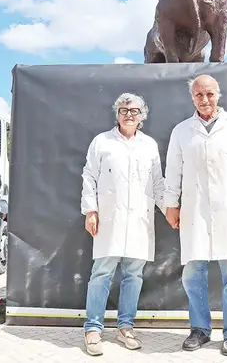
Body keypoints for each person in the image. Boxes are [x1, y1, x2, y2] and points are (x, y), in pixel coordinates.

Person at [162, 74, 227, 357]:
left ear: (219, 94)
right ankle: (200, 330)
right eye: (199, 95)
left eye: (209, 94)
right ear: (192, 98)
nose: (205, 100)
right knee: (193, 274)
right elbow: (173, 171)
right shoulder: (181, 131)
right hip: (194, 211)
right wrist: (171, 205)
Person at [79, 92, 166, 356]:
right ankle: (93, 329)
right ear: (117, 113)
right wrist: (90, 211)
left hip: (139, 219)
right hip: (109, 219)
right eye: (124, 110)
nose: (129, 114)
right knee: (102, 273)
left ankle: (125, 327)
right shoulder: (102, 142)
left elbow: (158, 183)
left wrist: (171, 210)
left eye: (134, 111)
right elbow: (89, 176)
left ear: (142, 116)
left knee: (133, 275)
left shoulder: (149, 145)